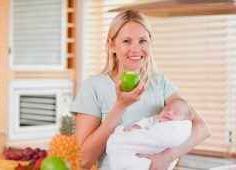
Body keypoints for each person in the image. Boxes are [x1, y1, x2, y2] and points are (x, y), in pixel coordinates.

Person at [70, 9, 210, 170]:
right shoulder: (93, 87)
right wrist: (120, 107)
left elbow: (202, 128)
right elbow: (83, 160)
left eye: (143, 41)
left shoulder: (159, 82)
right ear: (112, 45)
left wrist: (167, 157)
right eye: (127, 41)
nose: (136, 49)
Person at [106, 98, 194, 170]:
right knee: (118, 142)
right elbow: (146, 122)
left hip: (156, 160)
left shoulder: (177, 129)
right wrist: (136, 127)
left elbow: (167, 141)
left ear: (183, 122)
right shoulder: (156, 119)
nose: (169, 112)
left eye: (177, 112)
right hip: (140, 152)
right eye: (167, 108)